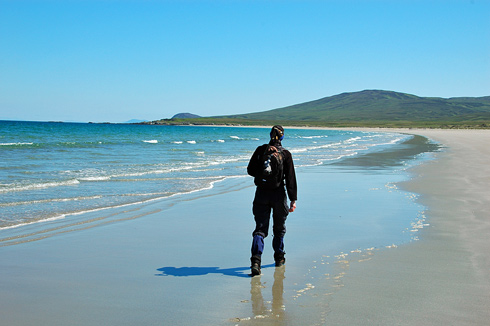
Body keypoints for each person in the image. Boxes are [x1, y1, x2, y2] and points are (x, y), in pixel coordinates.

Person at [247, 125, 297, 276]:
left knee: (260, 229)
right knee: (279, 228)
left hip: (261, 193)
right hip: (279, 195)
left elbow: (250, 170)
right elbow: (290, 179)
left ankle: (256, 262)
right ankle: (279, 258)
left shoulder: (260, 150)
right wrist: (293, 199)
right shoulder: (286, 154)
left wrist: (263, 159)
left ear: (270, 135)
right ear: (282, 137)